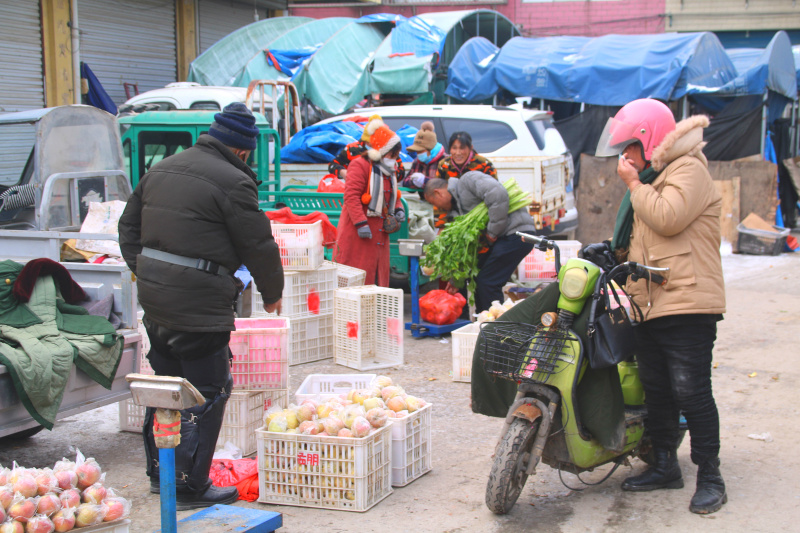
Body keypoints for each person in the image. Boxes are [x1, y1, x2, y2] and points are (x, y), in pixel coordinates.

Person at [118, 103, 284, 510]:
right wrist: (272, 292)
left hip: (156, 303)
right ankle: (191, 485)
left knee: (167, 386)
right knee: (207, 391)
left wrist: (148, 272)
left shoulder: (163, 168)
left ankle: (161, 474)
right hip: (199, 306)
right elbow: (258, 244)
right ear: (243, 151)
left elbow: (127, 229)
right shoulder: (233, 181)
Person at [595, 98, 727, 514]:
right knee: (659, 391)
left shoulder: (688, 170)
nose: (625, 159)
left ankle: (711, 476)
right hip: (651, 304)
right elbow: (647, 242)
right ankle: (665, 464)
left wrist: (634, 185)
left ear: (648, 141)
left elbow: (667, 217)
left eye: (629, 149)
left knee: (692, 392)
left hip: (687, 301)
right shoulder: (659, 175)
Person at [424, 173, 535, 312]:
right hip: (504, 237)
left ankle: (493, 327)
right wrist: (455, 280)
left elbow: (498, 194)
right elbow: (468, 249)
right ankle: (482, 321)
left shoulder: (467, 180)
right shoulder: (458, 212)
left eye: (434, 203)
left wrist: (492, 232)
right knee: (478, 278)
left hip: (517, 233)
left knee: (488, 281)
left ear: (438, 193)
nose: (437, 208)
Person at [333, 120, 405, 287]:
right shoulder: (359, 165)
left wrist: (398, 208)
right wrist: (360, 223)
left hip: (379, 234)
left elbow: (393, 195)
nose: (394, 159)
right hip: (358, 234)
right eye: (391, 155)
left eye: (396, 156)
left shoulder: (388, 170)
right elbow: (351, 196)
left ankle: (375, 312)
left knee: (377, 280)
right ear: (381, 151)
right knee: (356, 279)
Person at [433, 131, 497, 228]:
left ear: (470, 148)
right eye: (454, 148)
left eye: (462, 148)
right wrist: (441, 225)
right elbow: (439, 197)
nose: (458, 153)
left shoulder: (484, 164)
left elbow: (494, 194)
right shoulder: (444, 165)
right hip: (453, 217)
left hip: (478, 216)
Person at [328, 115, 405, 182]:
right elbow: (332, 165)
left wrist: (390, 170)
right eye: (369, 142)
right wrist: (342, 172)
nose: (373, 146)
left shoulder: (388, 150)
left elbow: (401, 172)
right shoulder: (352, 149)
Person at [401, 121, 447, 190]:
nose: (418, 154)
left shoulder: (445, 161)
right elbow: (405, 182)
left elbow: (445, 184)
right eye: (417, 151)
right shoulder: (417, 162)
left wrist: (424, 181)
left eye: (421, 151)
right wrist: (413, 181)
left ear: (431, 149)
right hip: (421, 200)